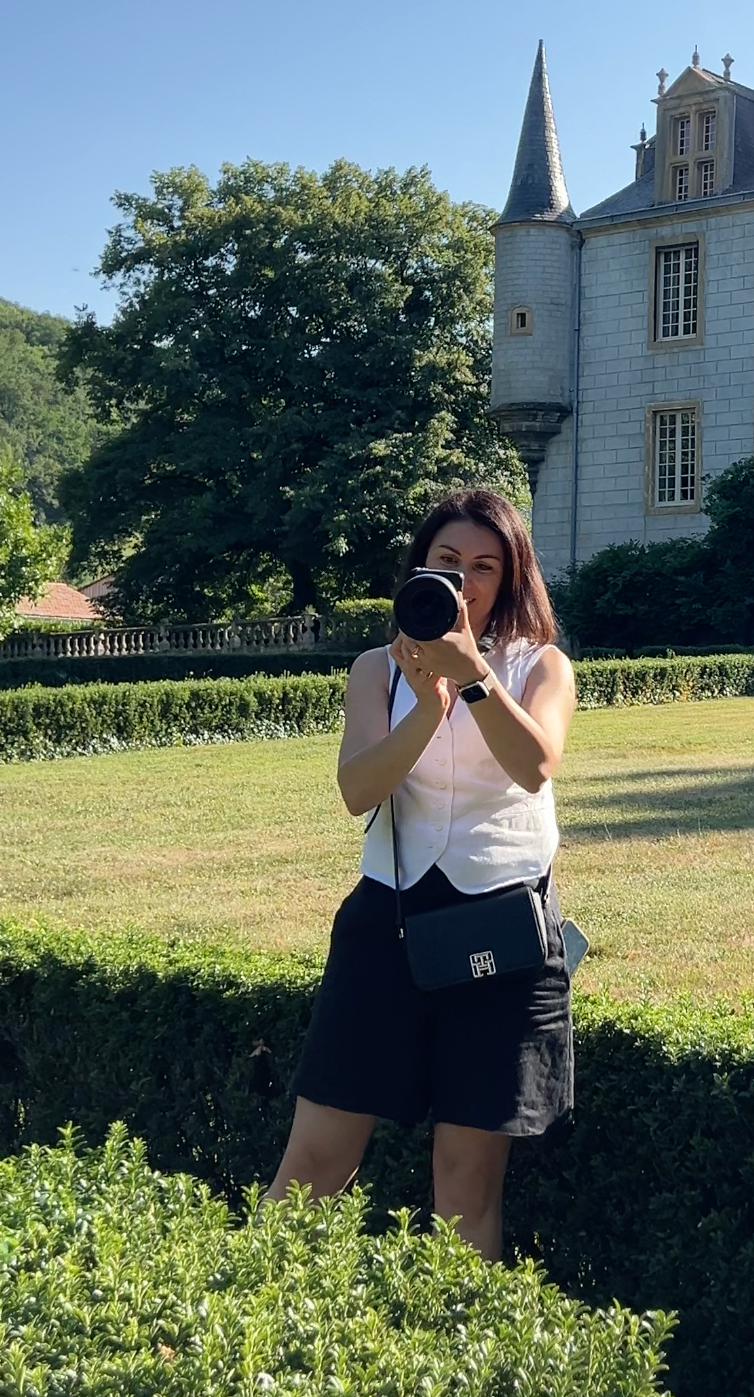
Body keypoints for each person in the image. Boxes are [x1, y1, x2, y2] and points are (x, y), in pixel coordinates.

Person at [265, 486, 577, 1258]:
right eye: (448, 560)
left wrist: (473, 678)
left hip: (500, 935)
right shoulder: (375, 670)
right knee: (313, 1165)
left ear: (510, 579)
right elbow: (358, 790)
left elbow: (535, 765)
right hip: (387, 924)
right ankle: (247, 1312)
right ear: (419, 567)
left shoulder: (542, 667)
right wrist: (428, 706)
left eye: (484, 566)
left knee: (466, 1184)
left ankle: (456, 1332)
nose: (464, 581)